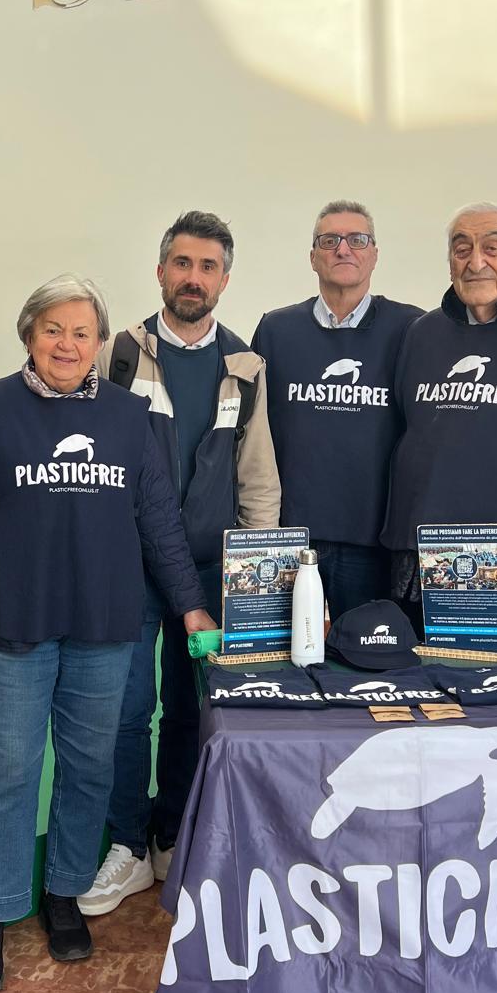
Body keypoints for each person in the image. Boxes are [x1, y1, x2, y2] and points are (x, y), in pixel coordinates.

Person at [0, 274, 214, 993]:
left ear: (100, 343)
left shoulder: (131, 418)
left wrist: (190, 606)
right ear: (29, 333)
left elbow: (160, 524)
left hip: (103, 620)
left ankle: (64, 893)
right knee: (9, 766)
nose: (67, 344)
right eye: (53, 329)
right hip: (13, 621)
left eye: (82, 332)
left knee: (89, 764)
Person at [79, 211, 281, 916]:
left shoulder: (246, 367)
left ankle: (176, 834)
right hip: (128, 573)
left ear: (225, 279)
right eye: (183, 264)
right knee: (127, 711)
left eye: (208, 267)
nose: (194, 278)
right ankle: (128, 846)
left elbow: (258, 478)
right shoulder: (117, 359)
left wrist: (256, 573)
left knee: (197, 710)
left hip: (212, 575)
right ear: (161, 270)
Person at [251, 199, 422, 617]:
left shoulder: (412, 329)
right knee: (283, 670)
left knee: (366, 669)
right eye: (330, 240)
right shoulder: (276, 330)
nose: (343, 249)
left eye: (357, 239)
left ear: (374, 254)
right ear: (313, 257)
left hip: (372, 542)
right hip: (288, 538)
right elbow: (251, 435)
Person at [381, 203, 497, 631]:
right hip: (415, 550)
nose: (475, 261)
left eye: (492, 248)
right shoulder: (422, 333)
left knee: (483, 681)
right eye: (461, 249)